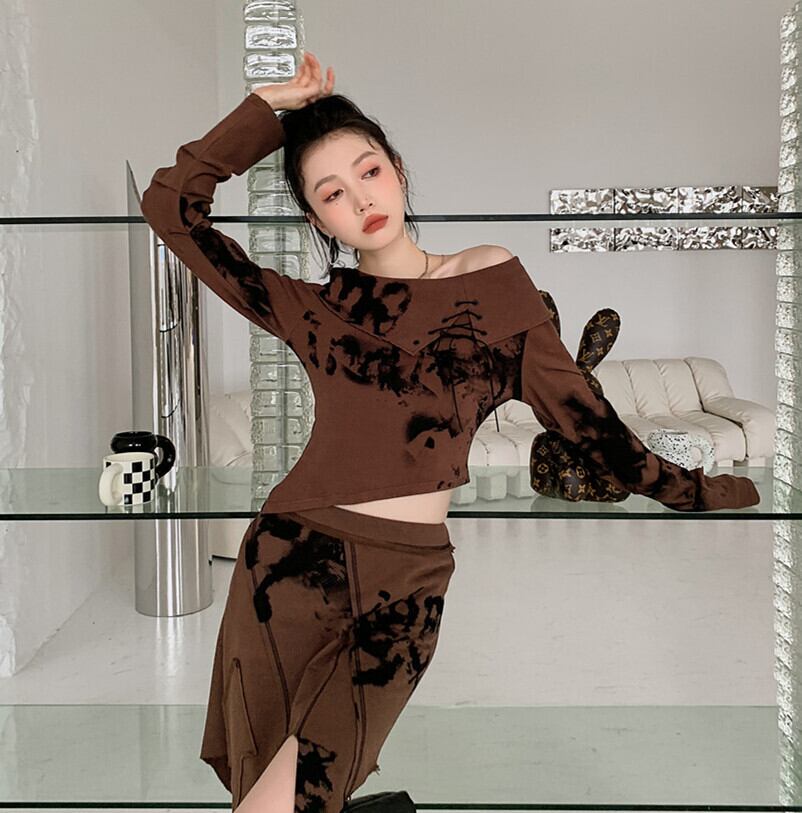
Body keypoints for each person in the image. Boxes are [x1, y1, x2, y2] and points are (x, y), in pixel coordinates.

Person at [139, 51, 760, 813]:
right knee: (272, 791)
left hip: (406, 579)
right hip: (288, 563)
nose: (360, 198)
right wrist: (265, 108)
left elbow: (585, 420)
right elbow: (171, 207)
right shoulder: (315, 307)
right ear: (317, 219)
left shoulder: (487, 278)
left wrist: (695, 491)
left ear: (397, 170)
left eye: (369, 171)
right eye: (331, 193)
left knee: (301, 789)